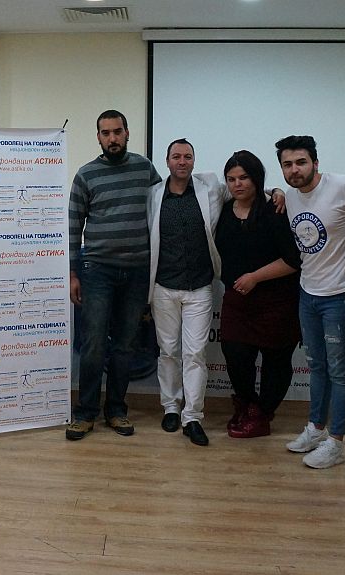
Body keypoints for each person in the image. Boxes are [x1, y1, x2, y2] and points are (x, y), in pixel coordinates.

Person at [276, 135, 345, 469]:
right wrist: (275, 192)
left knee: (340, 371)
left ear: (315, 163)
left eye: (301, 162)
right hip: (308, 294)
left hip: (341, 295)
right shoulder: (291, 196)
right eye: (287, 164)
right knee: (317, 366)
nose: (295, 169)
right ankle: (316, 429)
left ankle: (336, 442)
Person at [66, 110, 162, 441]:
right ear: (98, 137)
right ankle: (85, 413)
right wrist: (73, 273)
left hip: (137, 271)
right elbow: (73, 225)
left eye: (117, 132)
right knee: (93, 344)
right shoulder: (86, 174)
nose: (112, 138)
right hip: (97, 270)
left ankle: (117, 410)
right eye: (105, 133)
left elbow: (165, 204)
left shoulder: (144, 168)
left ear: (127, 133)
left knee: (125, 345)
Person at [145, 139, 229, 447]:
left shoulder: (210, 188)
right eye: (176, 156)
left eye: (188, 157)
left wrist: (276, 192)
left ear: (194, 161)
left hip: (200, 287)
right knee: (168, 351)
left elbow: (244, 190)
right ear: (167, 161)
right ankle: (170, 407)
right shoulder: (153, 195)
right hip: (163, 287)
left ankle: (192, 416)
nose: (182, 161)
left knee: (195, 354)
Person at [214, 150, 301, 439]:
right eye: (231, 179)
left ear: (256, 178)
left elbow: (293, 260)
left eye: (244, 178)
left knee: (276, 361)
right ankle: (247, 406)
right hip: (237, 301)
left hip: (277, 301)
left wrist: (255, 277)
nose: (237, 184)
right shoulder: (224, 211)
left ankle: (262, 414)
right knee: (235, 356)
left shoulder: (275, 211)